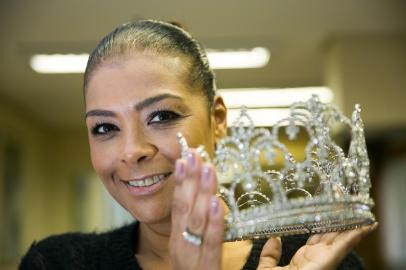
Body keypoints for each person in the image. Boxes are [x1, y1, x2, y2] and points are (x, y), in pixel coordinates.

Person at [19, 19, 377, 270]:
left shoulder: (318, 261)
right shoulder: (57, 263)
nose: (131, 151)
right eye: (104, 127)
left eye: (160, 117)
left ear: (217, 120)